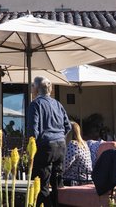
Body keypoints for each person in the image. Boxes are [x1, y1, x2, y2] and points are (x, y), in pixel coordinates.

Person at [26, 76, 71, 207]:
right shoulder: (58, 104)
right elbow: (68, 125)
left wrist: (30, 152)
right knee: (57, 183)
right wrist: (59, 136)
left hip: (45, 147)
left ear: (36, 89)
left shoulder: (35, 104)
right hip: (60, 146)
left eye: (32, 86)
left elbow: (32, 132)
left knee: (41, 185)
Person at [62, 121, 93, 186]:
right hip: (85, 178)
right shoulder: (84, 144)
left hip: (75, 180)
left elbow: (64, 166)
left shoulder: (73, 145)